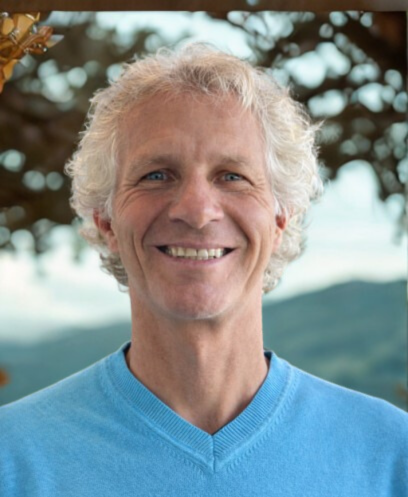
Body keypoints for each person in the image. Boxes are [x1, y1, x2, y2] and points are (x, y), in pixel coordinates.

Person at [1, 43, 407, 497]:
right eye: (157, 175)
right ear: (106, 221)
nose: (196, 211)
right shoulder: (12, 460)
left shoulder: (391, 456)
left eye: (232, 176)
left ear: (280, 218)